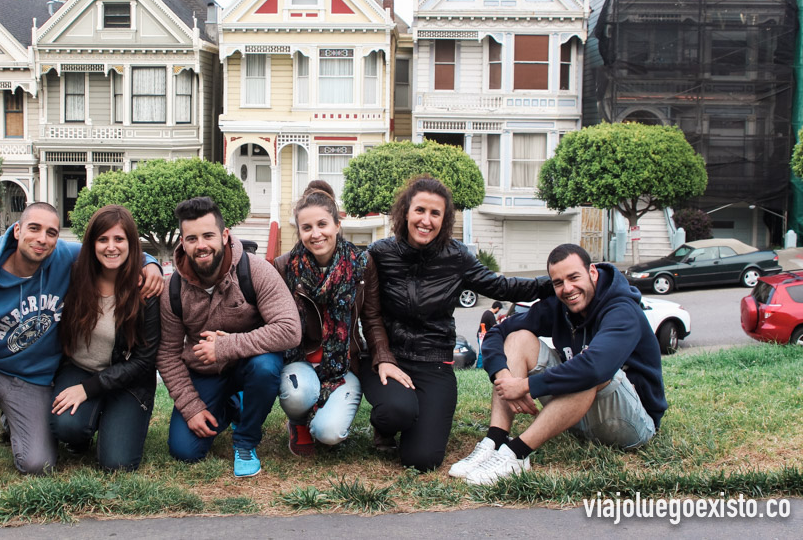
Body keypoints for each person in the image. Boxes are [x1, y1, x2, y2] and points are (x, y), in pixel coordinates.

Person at [0, 202, 163, 485]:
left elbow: (114, 248)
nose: (42, 239)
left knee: (36, 465)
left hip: (35, 383)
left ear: (57, 239)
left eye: (51, 232)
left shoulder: (63, 258)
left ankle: (13, 419)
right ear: (16, 231)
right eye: (34, 228)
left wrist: (150, 264)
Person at [361, 175, 549, 472]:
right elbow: (365, 310)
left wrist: (555, 283)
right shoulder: (380, 254)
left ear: (444, 219)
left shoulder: (457, 257)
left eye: (435, 213)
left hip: (434, 362)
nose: (426, 220)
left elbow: (503, 287)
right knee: (397, 412)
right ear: (405, 213)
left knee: (422, 460)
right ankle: (387, 424)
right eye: (419, 210)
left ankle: (412, 418)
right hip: (389, 359)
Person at [457, 243, 666, 485]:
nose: (567, 289)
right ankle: (495, 441)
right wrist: (503, 377)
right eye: (558, 282)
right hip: (576, 415)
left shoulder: (622, 309)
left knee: (590, 369)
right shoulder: (560, 306)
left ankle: (516, 454)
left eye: (574, 277)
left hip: (631, 423)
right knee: (518, 337)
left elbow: (595, 368)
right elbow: (497, 332)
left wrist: (525, 386)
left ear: (593, 273)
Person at [157, 196, 300, 477]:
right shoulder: (171, 289)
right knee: (185, 450)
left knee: (266, 367)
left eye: (208, 235)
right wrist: (191, 407)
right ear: (182, 243)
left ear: (224, 236)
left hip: (250, 365)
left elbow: (289, 328)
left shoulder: (255, 270)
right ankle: (232, 407)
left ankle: (246, 440)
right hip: (205, 372)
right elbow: (167, 354)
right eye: (192, 238)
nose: (201, 245)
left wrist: (227, 345)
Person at [274, 181, 407, 456]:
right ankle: (298, 420)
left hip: (344, 365)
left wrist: (383, 357)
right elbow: (273, 320)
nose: (316, 234)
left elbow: (371, 319)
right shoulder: (284, 266)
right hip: (301, 361)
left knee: (329, 433)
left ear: (337, 224)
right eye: (307, 228)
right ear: (298, 231)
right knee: (298, 395)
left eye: (322, 224)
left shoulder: (361, 264)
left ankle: (323, 416)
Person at [51, 205, 160, 471]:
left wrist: (89, 390)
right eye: (103, 239)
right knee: (66, 427)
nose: (111, 247)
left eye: (119, 239)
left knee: (117, 463)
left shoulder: (145, 288)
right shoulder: (75, 276)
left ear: (131, 243)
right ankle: (84, 430)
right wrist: (84, 386)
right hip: (79, 369)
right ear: (92, 244)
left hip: (129, 380)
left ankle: (114, 419)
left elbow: (144, 361)